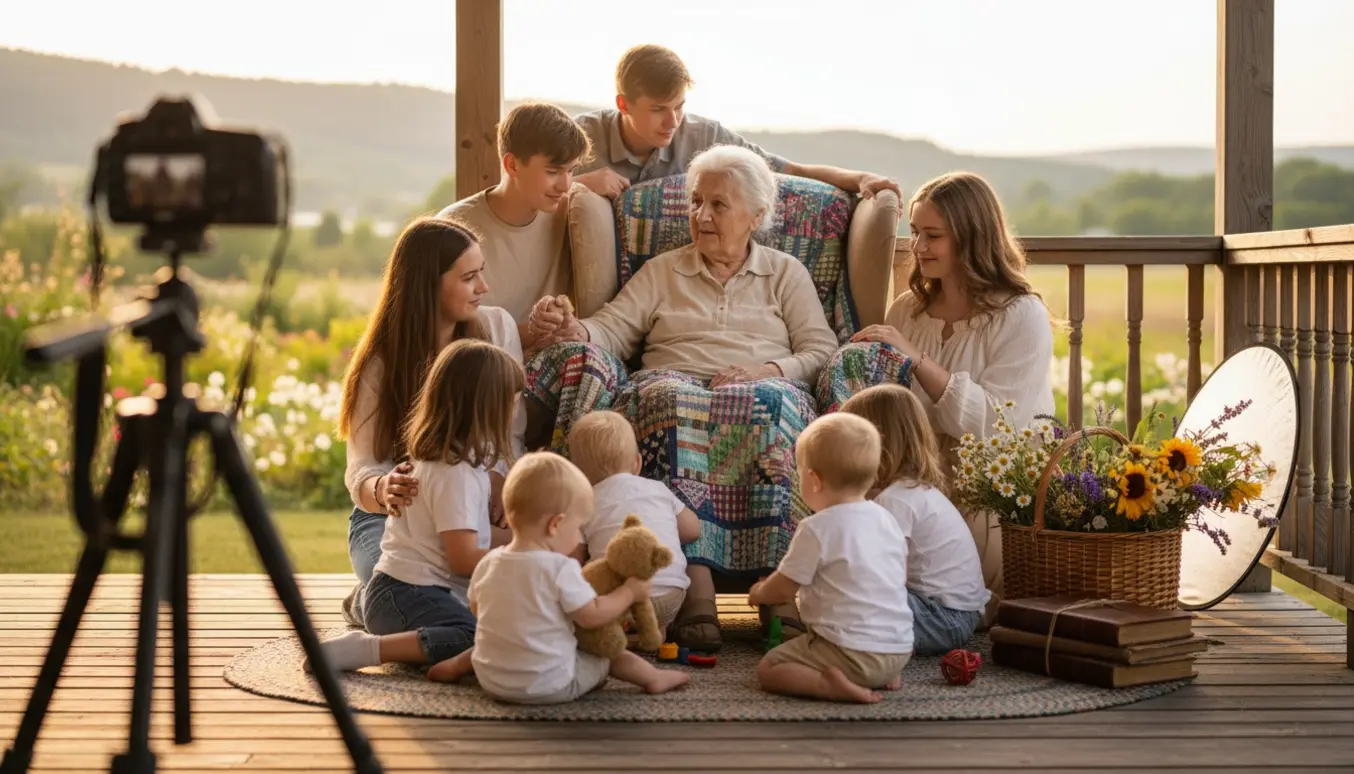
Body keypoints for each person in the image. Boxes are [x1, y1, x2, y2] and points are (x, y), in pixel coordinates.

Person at [527, 144, 841, 653]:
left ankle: (777, 590)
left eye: (718, 205)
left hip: (763, 382)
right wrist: (574, 329)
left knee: (772, 408)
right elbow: (612, 328)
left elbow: (820, 348)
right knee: (669, 403)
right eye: (696, 202)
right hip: (672, 379)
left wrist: (766, 371)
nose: (702, 215)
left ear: (756, 216)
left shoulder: (785, 273)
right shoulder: (664, 270)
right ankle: (697, 589)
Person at [337, 217, 567, 625]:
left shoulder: (495, 327)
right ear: (428, 284)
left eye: (482, 272)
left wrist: (500, 483)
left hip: (473, 500)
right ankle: (370, 600)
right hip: (394, 520)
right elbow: (361, 467)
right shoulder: (380, 363)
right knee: (403, 580)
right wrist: (383, 489)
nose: (484, 287)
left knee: (530, 559)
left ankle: (386, 603)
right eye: (469, 277)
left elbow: (509, 437)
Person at [850, 171, 1056, 610]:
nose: (918, 247)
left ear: (972, 238)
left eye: (933, 236)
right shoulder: (907, 312)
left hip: (992, 485)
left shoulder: (1021, 315)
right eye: (914, 232)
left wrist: (918, 361)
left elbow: (997, 427)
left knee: (958, 588)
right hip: (917, 475)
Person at [312, 339, 523, 671]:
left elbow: (473, 535)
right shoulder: (456, 474)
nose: (514, 415)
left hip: (405, 592)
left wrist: (527, 540)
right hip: (406, 593)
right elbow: (464, 559)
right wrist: (520, 558)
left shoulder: (457, 463)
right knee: (477, 639)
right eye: (511, 404)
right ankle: (367, 649)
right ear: (485, 408)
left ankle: (378, 614)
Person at [425, 452, 691, 703]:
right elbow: (593, 616)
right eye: (576, 529)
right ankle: (653, 678)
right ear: (555, 525)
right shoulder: (561, 568)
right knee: (604, 649)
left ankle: (454, 667)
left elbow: (478, 609)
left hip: (492, 681)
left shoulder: (488, 562)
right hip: (551, 684)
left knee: (496, 637)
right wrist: (629, 592)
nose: (577, 539)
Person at [573, 44, 901, 201]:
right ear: (623, 104)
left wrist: (861, 178)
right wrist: (578, 185)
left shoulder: (706, 136)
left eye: (680, 106)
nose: (672, 121)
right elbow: (536, 193)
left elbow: (787, 170)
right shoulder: (579, 135)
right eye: (658, 109)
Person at [748, 413, 913, 704]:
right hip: (899, 650)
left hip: (849, 651)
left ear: (814, 480)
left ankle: (827, 685)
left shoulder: (817, 528)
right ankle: (880, 675)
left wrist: (760, 592)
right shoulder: (887, 520)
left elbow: (783, 589)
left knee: (770, 668)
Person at [841, 384, 989, 654]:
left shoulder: (895, 501)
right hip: (956, 614)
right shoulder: (913, 491)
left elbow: (883, 577)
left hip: (941, 618)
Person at [438, 102, 592, 323]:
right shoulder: (454, 226)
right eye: (552, 171)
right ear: (512, 165)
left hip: (553, 344)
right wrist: (529, 333)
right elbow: (443, 327)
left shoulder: (571, 214)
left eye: (571, 171)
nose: (565, 185)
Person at [568, 410, 701, 641]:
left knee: (588, 593)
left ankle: (624, 635)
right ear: (637, 463)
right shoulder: (657, 489)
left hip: (619, 602)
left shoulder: (583, 504)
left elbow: (574, 560)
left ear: (577, 473)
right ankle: (658, 629)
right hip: (671, 594)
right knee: (657, 608)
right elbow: (692, 530)